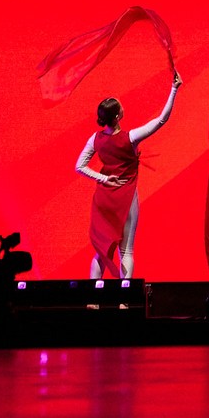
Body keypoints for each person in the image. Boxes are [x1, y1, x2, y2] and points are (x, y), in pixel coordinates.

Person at [76, 71, 181, 280]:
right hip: (125, 196)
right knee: (126, 251)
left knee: (102, 251)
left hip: (103, 199)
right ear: (117, 116)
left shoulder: (95, 139)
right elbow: (161, 120)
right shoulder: (130, 138)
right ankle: (125, 295)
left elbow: (79, 166)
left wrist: (104, 179)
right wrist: (174, 89)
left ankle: (92, 295)